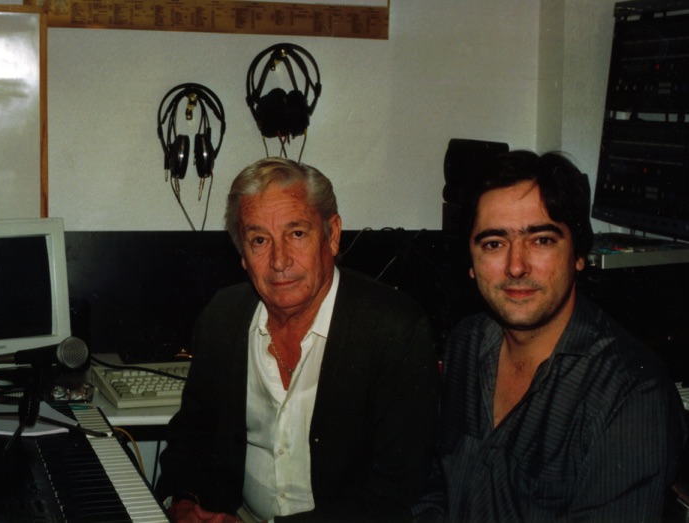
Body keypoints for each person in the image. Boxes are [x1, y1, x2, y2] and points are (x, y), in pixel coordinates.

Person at [157, 157, 438, 522]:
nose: (279, 261)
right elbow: (191, 437)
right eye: (260, 240)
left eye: (297, 234)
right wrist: (183, 502)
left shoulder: (394, 329)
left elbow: (396, 495)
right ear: (243, 256)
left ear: (332, 235)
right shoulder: (223, 317)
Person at [412, 150, 687, 522]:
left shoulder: (630, 392)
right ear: (471, 264)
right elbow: (434, 484)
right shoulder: (467, 342)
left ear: (578, 255)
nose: (516, 266)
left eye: (541, 240)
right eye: (494, 243)